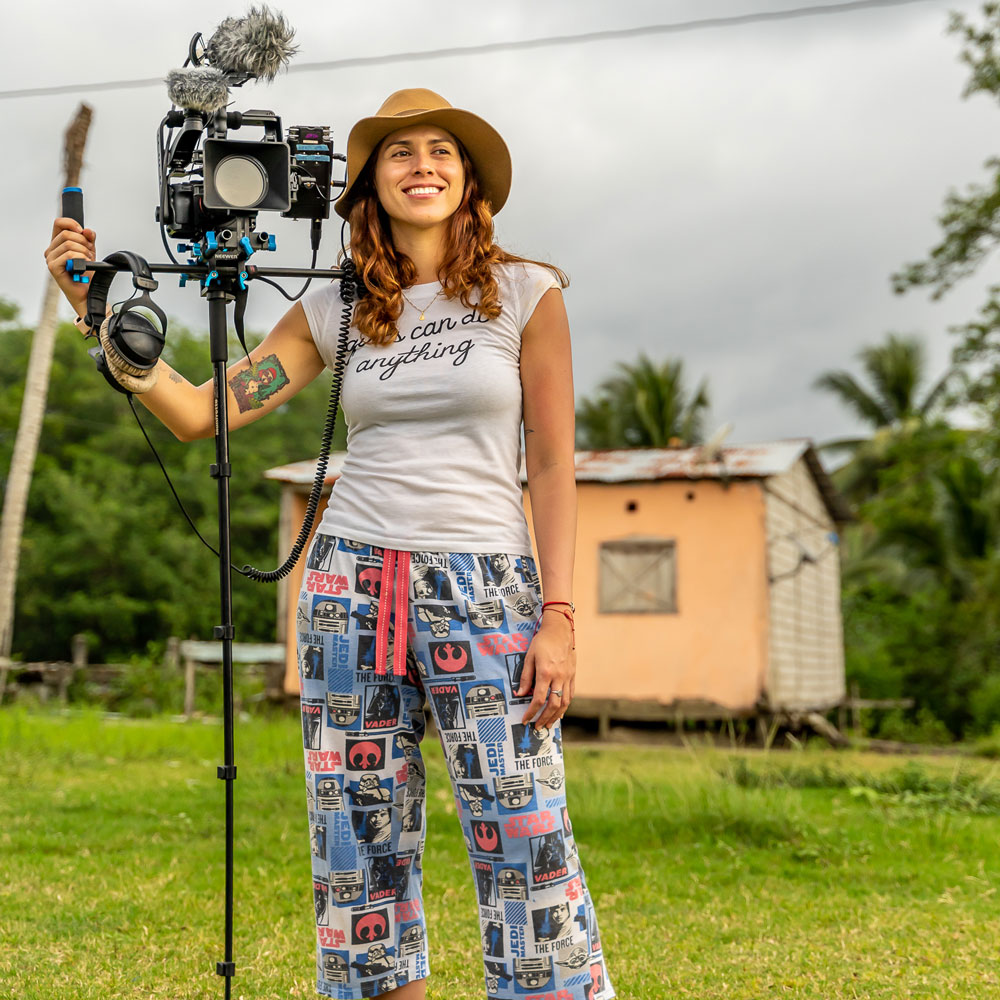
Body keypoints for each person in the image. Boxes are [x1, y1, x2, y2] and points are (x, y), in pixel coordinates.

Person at [45, 87, 614, 1000]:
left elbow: (550, 462)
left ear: (469, 181)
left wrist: (560, 614)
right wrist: (99, 312)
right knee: (360, 838)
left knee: (523, 825)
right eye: (399, 153)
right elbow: (204, 411)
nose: (421, 166)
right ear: (369, 184)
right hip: (353, 585)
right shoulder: (334, 308)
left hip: (486, 583)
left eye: (441, 151)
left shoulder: (525, 292)